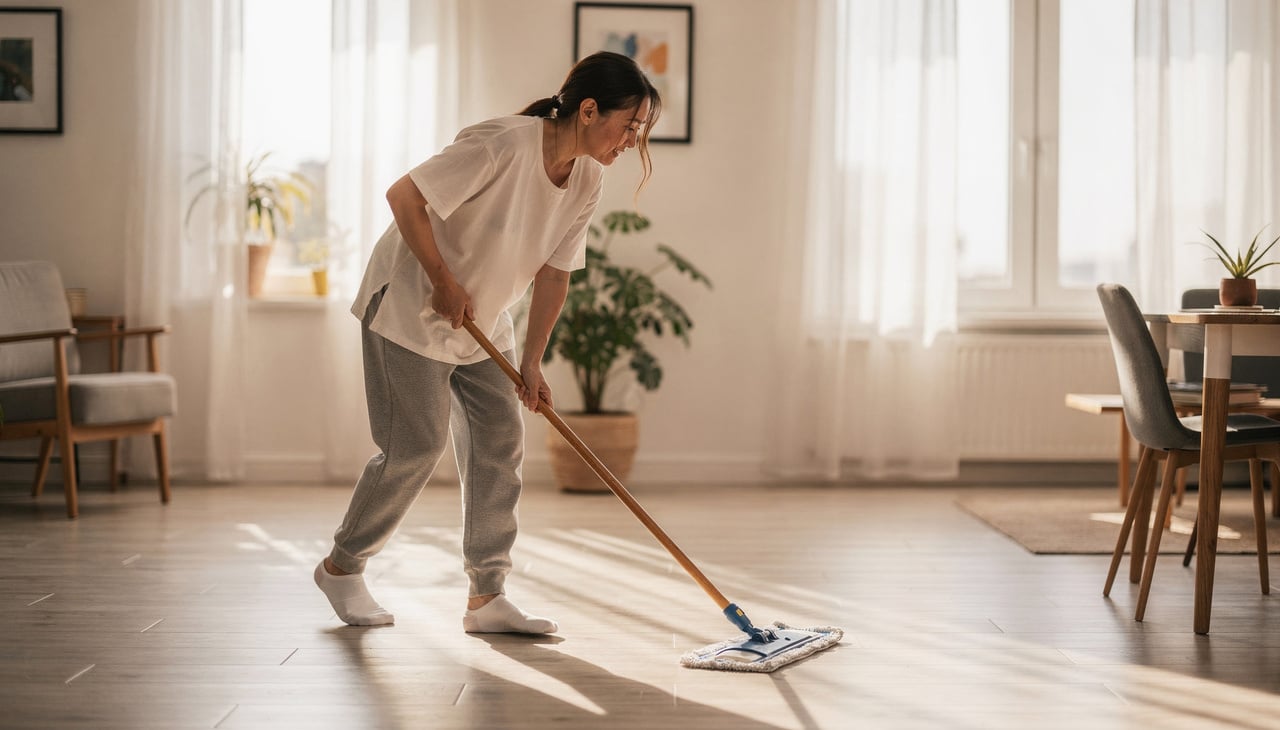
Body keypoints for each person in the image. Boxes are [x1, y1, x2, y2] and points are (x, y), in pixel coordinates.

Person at [314, 52, 661, 633]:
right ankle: (342, 569)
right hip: (410, 302)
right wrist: (443, 281)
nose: (632, 140)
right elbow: (405, 196)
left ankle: (487, 597)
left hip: (484, 316)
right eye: (630, 125)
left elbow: (556, 272)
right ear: (589, 108)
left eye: (640, 131)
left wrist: (532, 361)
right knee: (415, 448)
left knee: (501, 440)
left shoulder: (589, 179)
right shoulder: (504, 143)